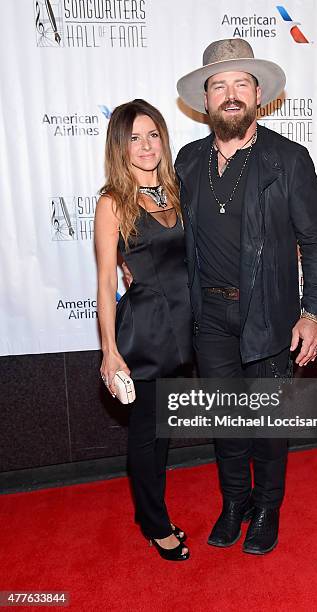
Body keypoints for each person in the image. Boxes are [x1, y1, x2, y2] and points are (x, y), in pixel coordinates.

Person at [175, 39, 317, 554]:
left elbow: (315, 241)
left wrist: (312, 313)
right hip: (210, 318)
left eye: (241, 83)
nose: (230, 94)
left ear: (259, 94)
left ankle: (267, 507)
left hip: (268, 313)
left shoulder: (289, 160)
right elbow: (173, 235)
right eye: (219, 85)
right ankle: (235, 501)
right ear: (206, 98)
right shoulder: (189, 160)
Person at [94, 99, 192, 561]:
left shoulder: (176, 191)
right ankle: (154, 524)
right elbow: (106, 280)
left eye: (153, 134)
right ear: (121, 145)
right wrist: (109, 350)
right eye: (134, 137)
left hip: (185, 328)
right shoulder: (113, 202)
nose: (146, 144)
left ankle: (150, 512)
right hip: (147, 332)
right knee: (147, 433)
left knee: (163, 431)